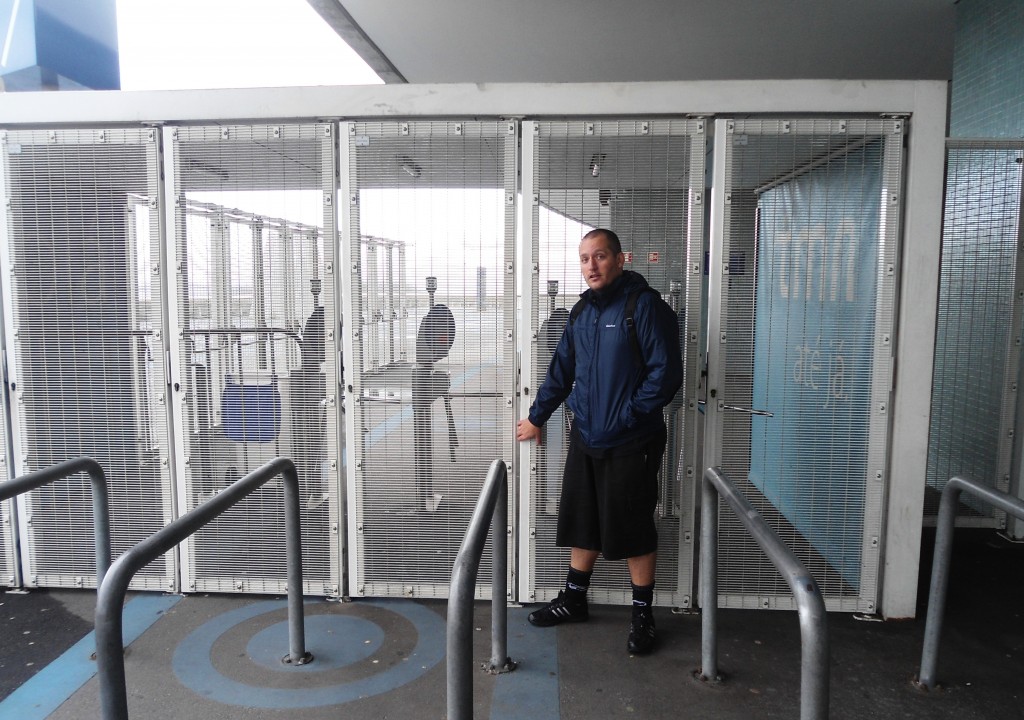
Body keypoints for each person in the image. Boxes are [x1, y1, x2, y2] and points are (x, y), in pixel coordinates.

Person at [517, 228, 683, 655]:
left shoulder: (644, 307)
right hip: (586, 436)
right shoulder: (582, 312)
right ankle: (574, 599)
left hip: (632, 441)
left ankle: (642, 616)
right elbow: (562, 369)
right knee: (583, 518)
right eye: (585, 258)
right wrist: (538, 417)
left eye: (601, 256)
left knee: (634, 528)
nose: (592, 265)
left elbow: (665, 374)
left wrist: (628, 415)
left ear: (620, 259)